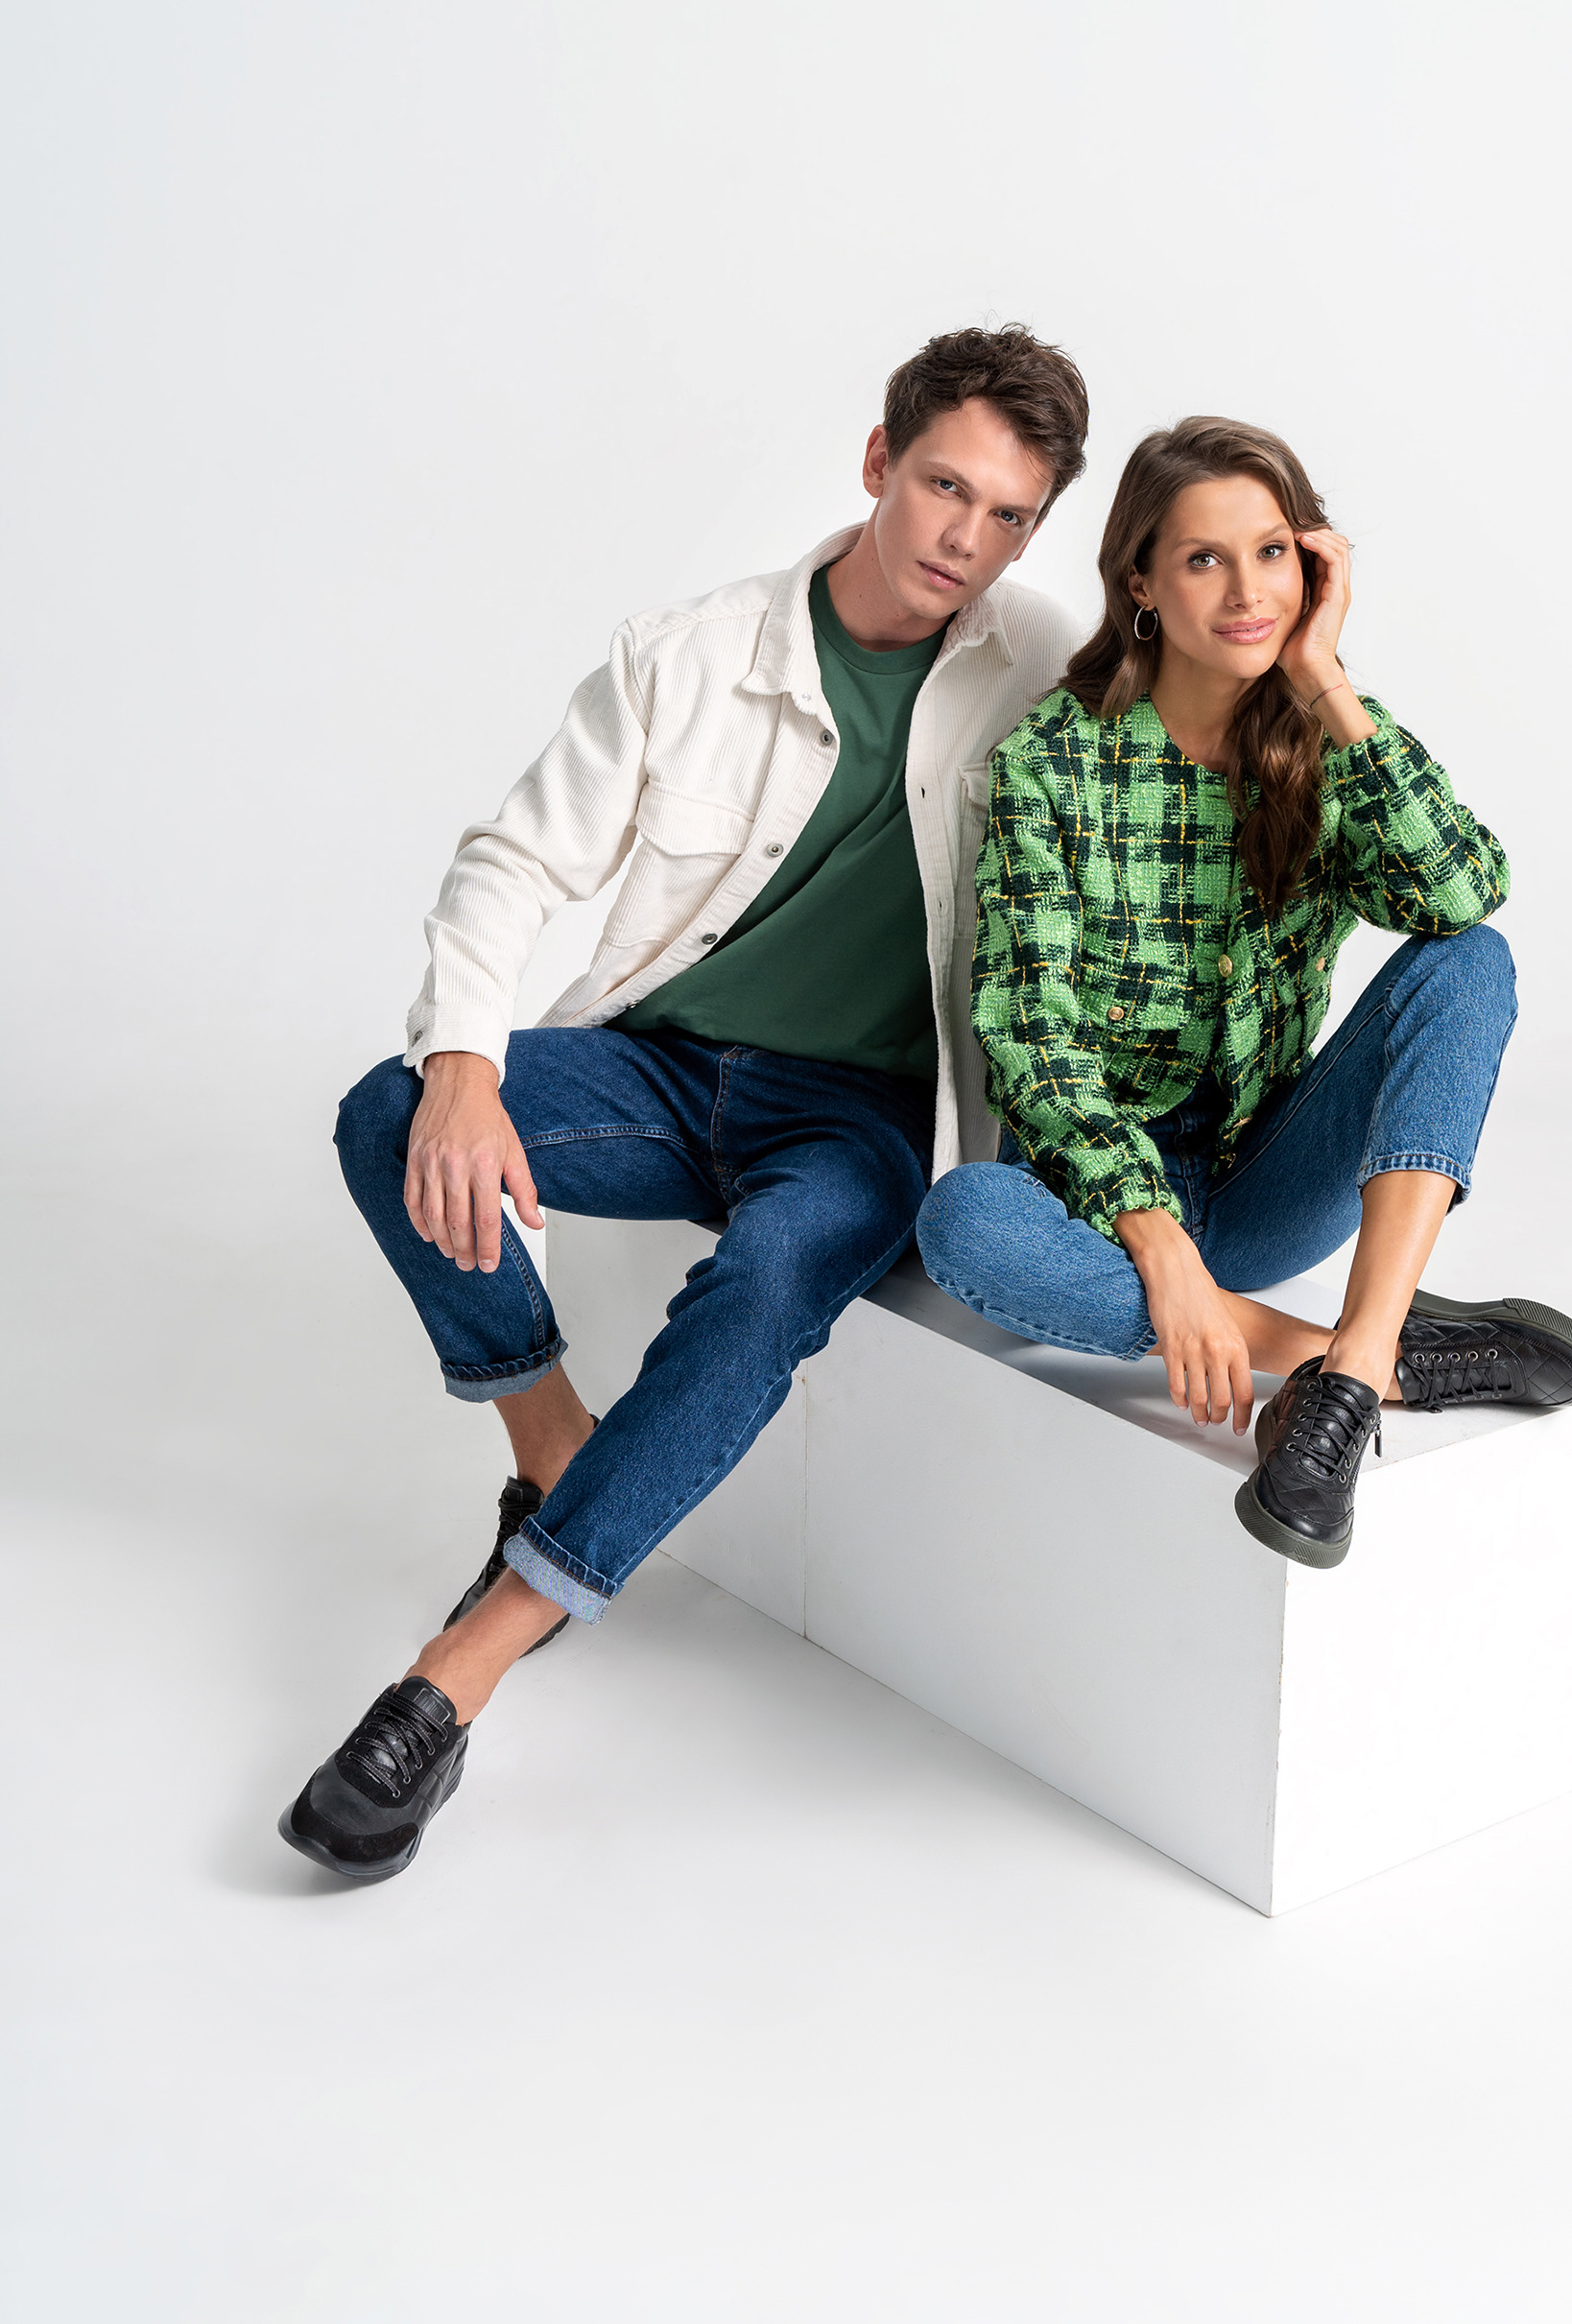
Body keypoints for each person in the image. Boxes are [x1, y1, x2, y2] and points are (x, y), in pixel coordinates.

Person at [280, 324, 1088, 1881]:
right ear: (878, 461)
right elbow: (516, 860)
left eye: (1009, 516)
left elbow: (1201, 707)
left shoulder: (1038, 661)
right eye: (944, 487)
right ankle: (553, 1440)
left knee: (769, 1286)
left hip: (855, 1118)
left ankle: (458, 1675)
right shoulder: (691, 654)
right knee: (391, 1111)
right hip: (661, 1071)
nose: (965, 540)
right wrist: (466, 1068)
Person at [915, 416, 1572, 1571]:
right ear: (1141, 582)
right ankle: (1358, 1359)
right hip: (1101, 1206)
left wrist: (1327, 679)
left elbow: (1461, 891)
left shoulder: (1320, 743)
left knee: (1469, 959)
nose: (1248, 591)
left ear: (1312, 565)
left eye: (1273, 552)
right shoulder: (1056, 759)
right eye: (1204, 559)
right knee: (964, 1225)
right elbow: (1032, 1041)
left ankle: (1358, 1357)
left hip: (1267, 1178)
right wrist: (1164, 1254)